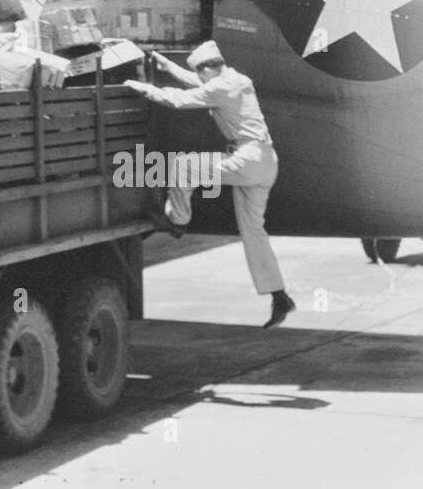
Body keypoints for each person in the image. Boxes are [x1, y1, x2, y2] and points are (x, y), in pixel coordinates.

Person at [125, 42, 296, 328]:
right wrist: (169, 67)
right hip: (265, 160)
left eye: (200, 73)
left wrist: (143, 88)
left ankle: (177, 219)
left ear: (209, 68)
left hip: (247, 158)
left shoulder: (220, 87)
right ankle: (279, 297)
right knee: (254, 231)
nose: (200, 78)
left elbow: (181, 99)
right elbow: (201, 84)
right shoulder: (236, 79)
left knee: (184, 166)